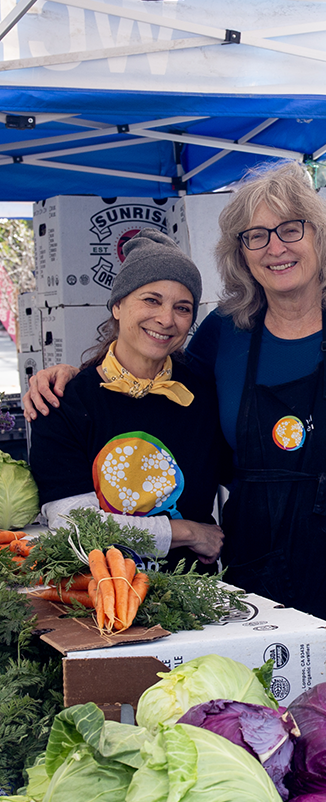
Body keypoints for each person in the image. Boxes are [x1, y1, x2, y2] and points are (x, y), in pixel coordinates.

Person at [25, 162, 326, 652]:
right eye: (255, 236)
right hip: (252, 567)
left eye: (290, 229)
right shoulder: (226, 332)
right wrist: (68, 376)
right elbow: (147, 376)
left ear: (319, 236)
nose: (275, 247)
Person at [29, 230, 225, 569]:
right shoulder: (64, 402)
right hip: (96, 595)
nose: (166, 319)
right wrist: (188, 532)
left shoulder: (205, 395)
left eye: (182, 307)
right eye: (151, 300)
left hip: (193, 595)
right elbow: (74, 525)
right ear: (117, 305)